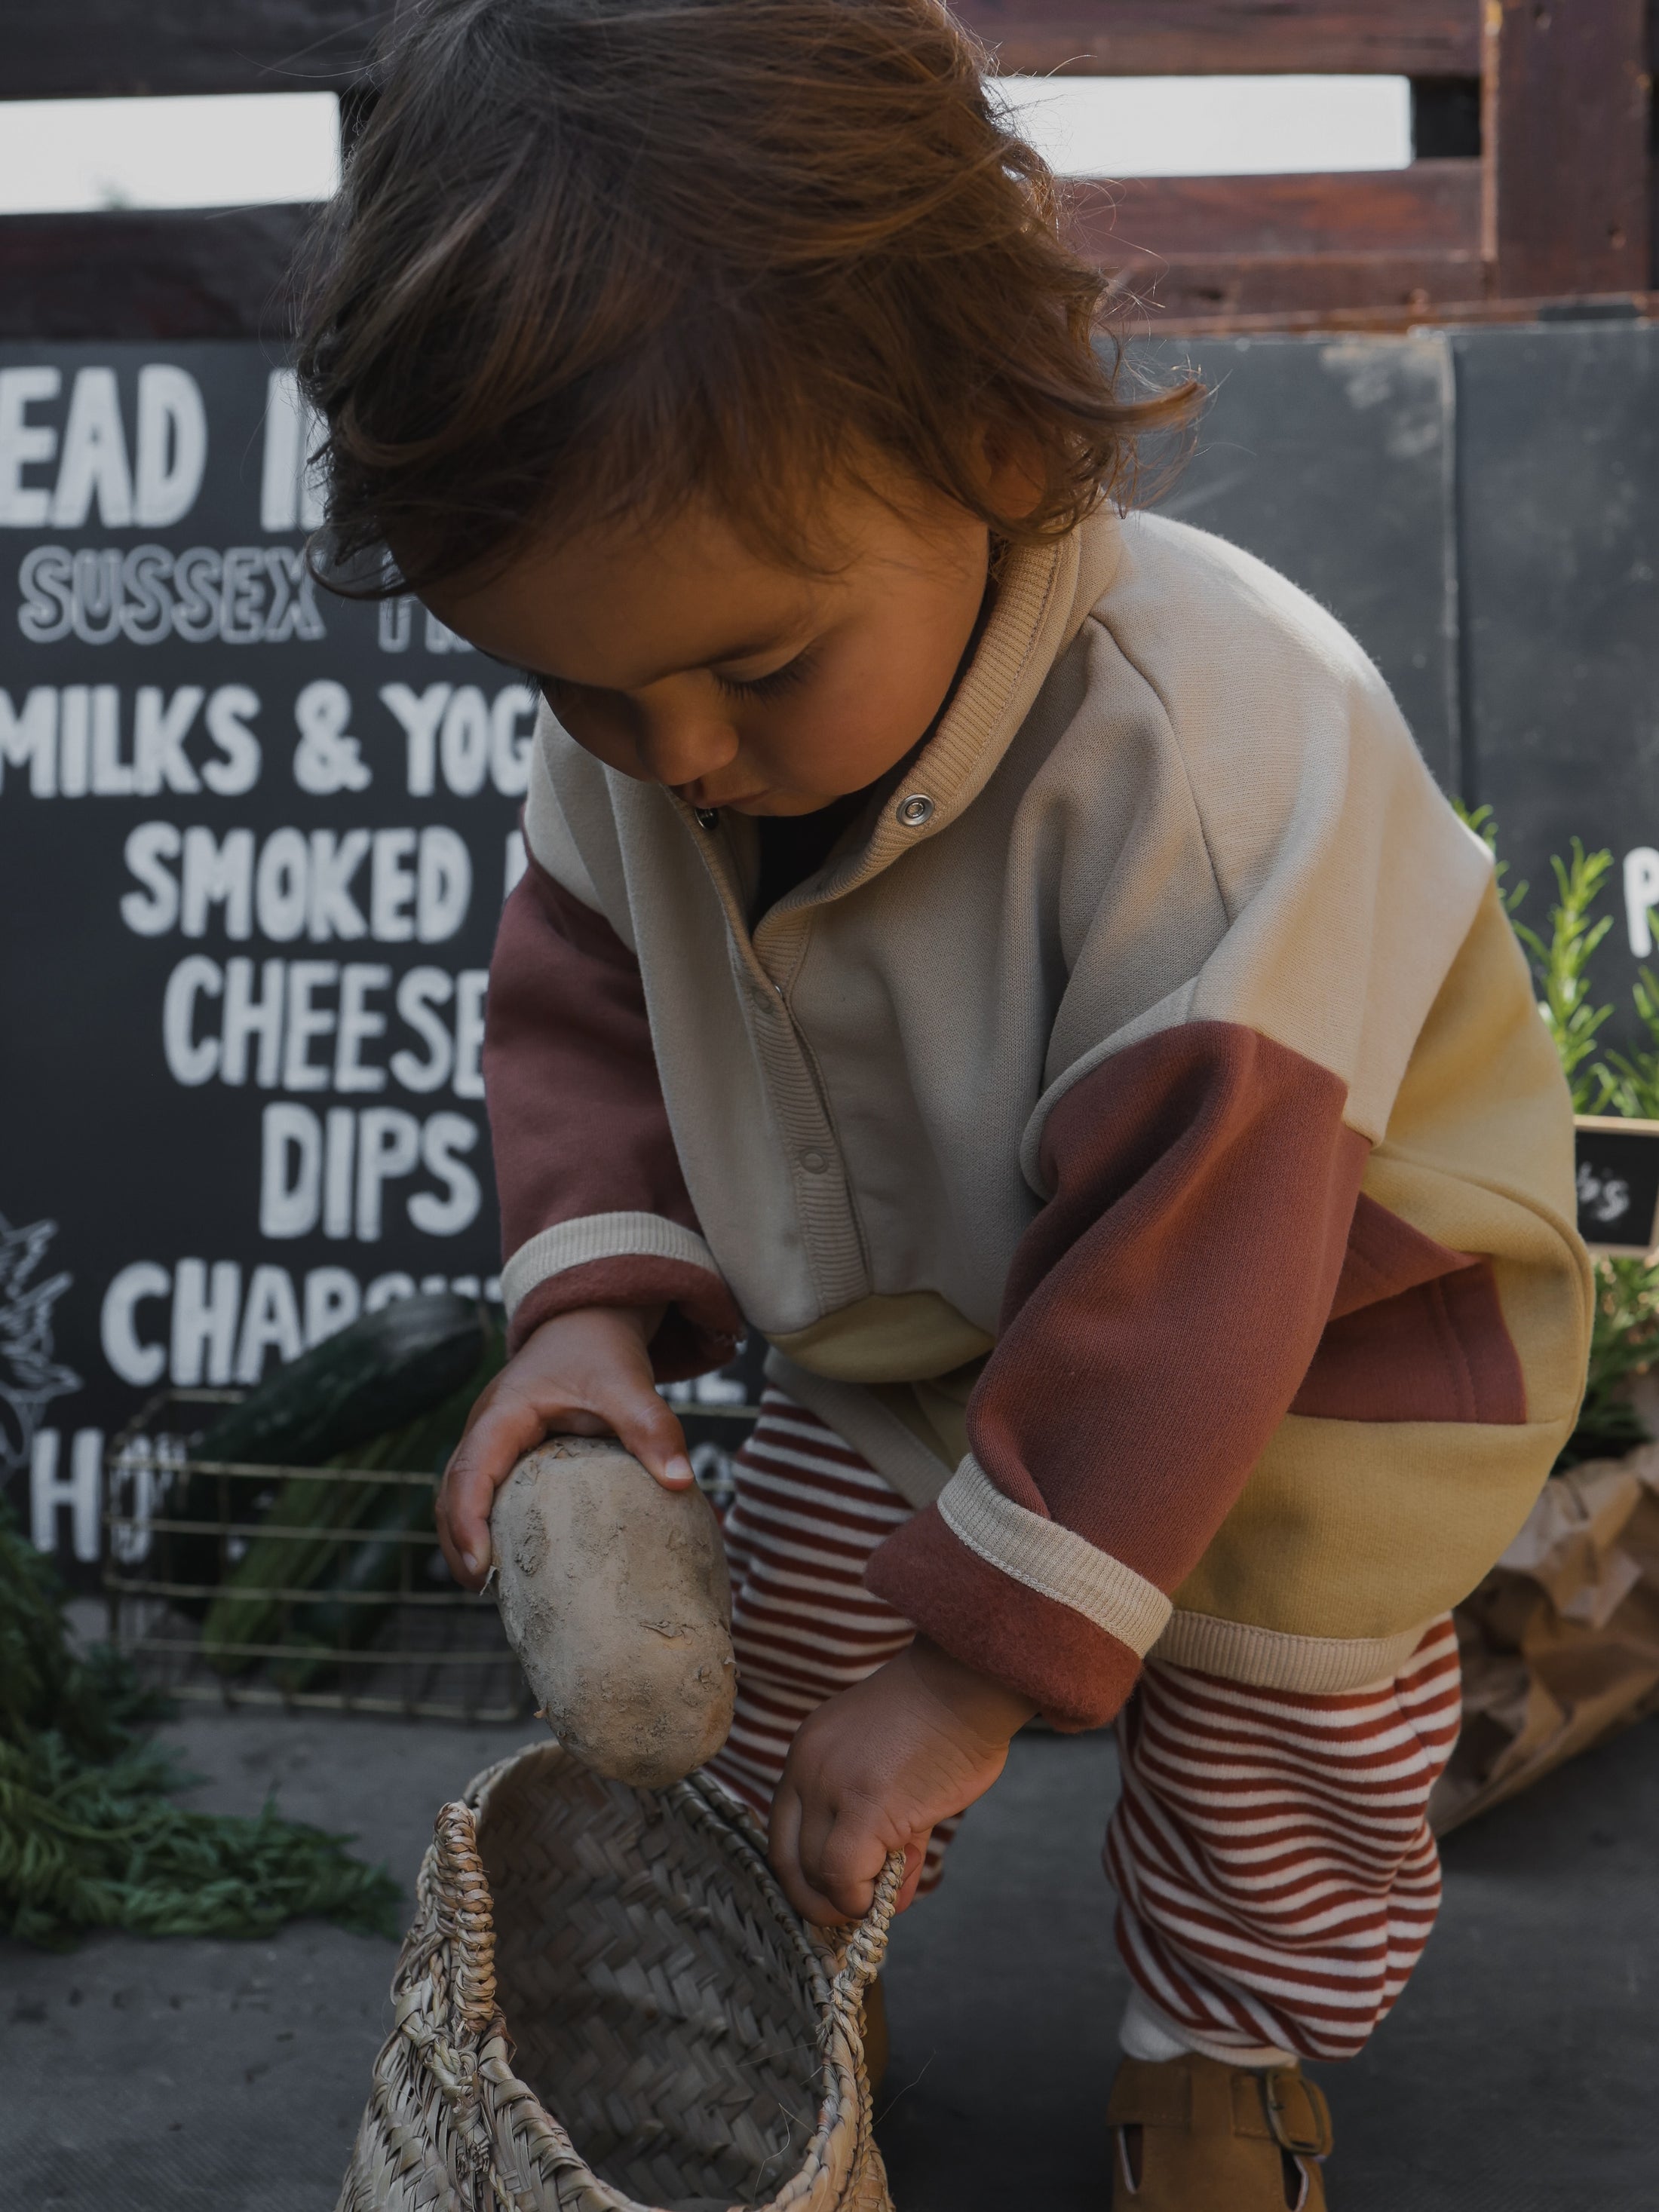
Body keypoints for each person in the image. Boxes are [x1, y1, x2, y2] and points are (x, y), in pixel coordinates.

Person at [297, 3, 1590, 2203]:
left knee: (1286, 1754)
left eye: (757, 668)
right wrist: (589, 1316)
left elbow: (1201, 1271)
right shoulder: (654, 713)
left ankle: (1221, 2051)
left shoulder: (1203, 759)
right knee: (792, 1659)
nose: (676, 750)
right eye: (580, 688)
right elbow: (587, 990)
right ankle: (796, 1962)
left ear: (1000, 446)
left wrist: (978, 1675)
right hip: (948, 1314)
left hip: (1317, 1348)